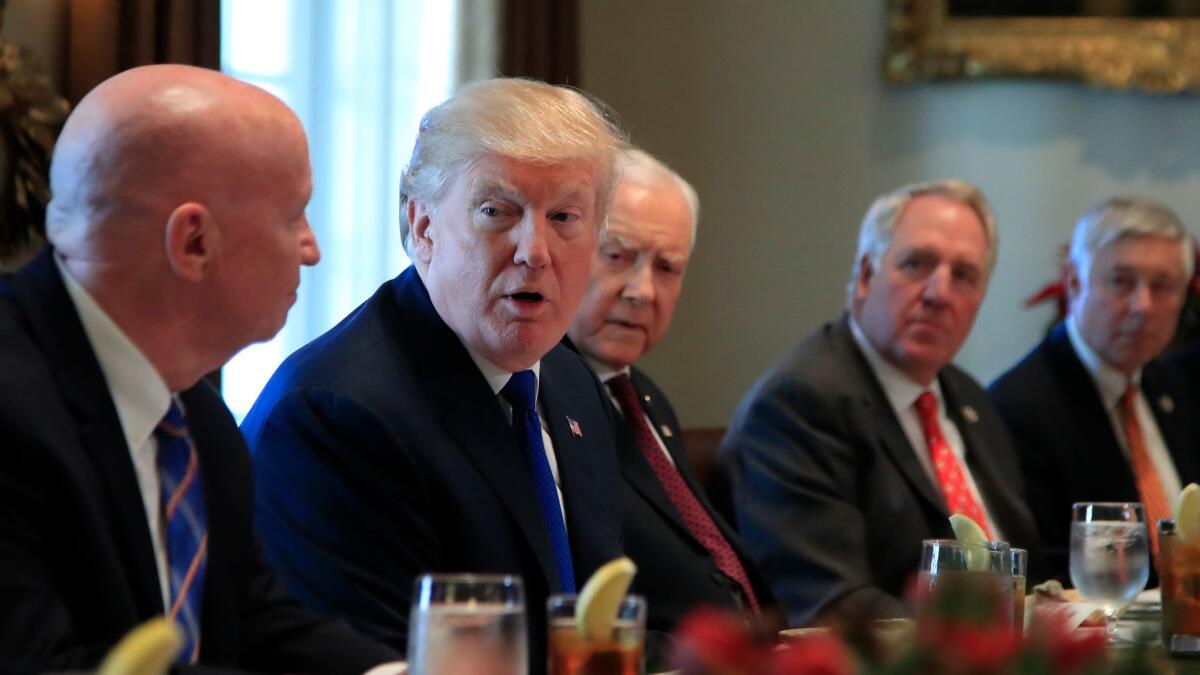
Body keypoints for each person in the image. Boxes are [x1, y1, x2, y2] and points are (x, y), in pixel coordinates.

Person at [0, 65, 399, 673]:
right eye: (294, 215)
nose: (311, 248)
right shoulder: (11, 406)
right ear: (193, 242)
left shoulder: (196, 416)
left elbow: (253, 619)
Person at [241, 78, 627, 667]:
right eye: (496, 212)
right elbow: (371, 659)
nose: (535, 250)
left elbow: (600, 621)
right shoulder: (336, 414)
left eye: (565, 217)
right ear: (422, 228)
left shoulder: (573, 386)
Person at [720, 180, 1041, 627]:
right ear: (867, 275)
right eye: (916, 264)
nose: (938, 293)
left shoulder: (968, 397)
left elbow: (1024, 559)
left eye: (964, 276)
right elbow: (834, 603)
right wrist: (977, 638)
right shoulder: (800, 403)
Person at [565, 148, 775, 633]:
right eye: (617, 256)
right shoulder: (541, 399)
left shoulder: (643, 396)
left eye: (667, 268)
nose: (642, 290)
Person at [990, 196, 1200, 582]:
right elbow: (1044, 573)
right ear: (1073, 281)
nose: (1142, 305)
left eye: (1163, 286)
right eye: (1121, 282)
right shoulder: (1019, 406)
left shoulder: (1178, 391)